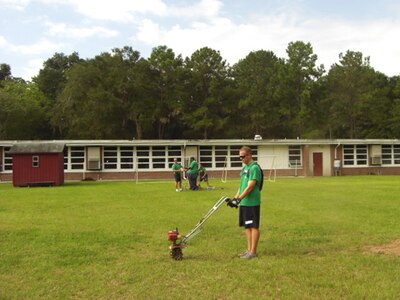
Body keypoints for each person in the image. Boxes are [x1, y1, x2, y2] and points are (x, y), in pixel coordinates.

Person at [232, 146, 262, 259]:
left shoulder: (254, 168)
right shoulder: (245, 168)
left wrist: (240, 199)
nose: (241, 159)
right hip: (244, 202)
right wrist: (235, 198)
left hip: (252, 202)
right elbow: (242, 186)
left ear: (249, 155)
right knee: (247, 226)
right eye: (239, 156)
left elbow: (250, 187)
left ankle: (253, 251)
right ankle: (249, 250)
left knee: (253, 226)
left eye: (243, 156)